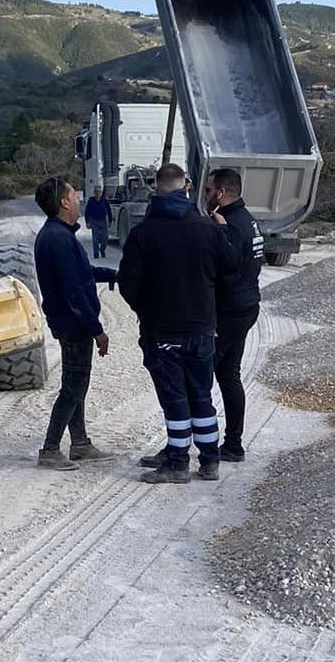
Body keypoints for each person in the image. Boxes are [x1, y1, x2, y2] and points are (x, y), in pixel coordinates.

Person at [118, 163, 238, 484]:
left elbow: (128, 286)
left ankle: (177, 463)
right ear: (186, 188)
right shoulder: (208, 229)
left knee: (175, 400)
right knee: (202, 396)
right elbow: (230, 268)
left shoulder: (143, 233)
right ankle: (210, 460)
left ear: (156, 189)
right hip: (201, 330)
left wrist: (149, 311)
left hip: (162, 332)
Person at [32, 176, 119, 471]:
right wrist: (97, 330)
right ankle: (50, 448)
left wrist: (113, 274)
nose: (80, 199)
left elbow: (83, 273)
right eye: (74, 195)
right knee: (73, 387)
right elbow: (74, 291)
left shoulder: (59, 235)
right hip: (73, 325)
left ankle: (80, 443)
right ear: (63, 202)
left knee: (77, 383)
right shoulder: (57, 238)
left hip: (70, 323)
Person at [202, 167, 263, 462]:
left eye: (209, 190)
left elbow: (228, 270)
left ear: (222, 193)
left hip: (229, 311)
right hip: (247, 306)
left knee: (200, 377)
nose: (206, 195)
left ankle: (189, 449)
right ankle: (233, 445)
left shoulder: (231, 226)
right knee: (228, 375)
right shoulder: (249, 221)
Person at [84, 186, 111, 259]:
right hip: (94, 221)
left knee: (104, 238)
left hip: (103, 221)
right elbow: (87, 212)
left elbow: (109, 211)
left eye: (99, 192)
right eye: (96, 191)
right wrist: (87, 222)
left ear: (101, 193)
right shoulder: (91, 200)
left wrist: (110, 221)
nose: (98, 193)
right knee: (95, 239)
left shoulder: (104, 201)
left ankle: (102, 250)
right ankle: (96, 253)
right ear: (94, 192)